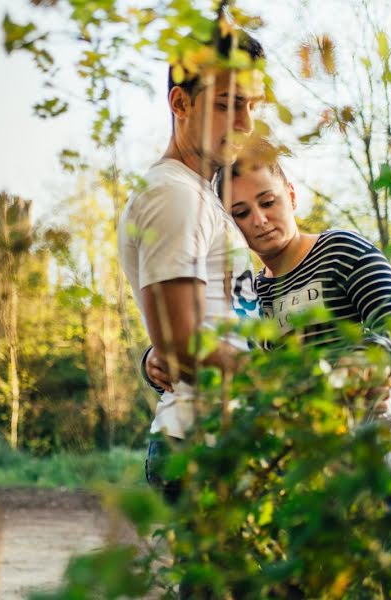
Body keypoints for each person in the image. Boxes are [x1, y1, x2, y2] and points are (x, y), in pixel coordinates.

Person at [145, 141, 391, 509]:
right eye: (241, 213)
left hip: (384, 468)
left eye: (268, 202)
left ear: (290, 195)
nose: (259, 220)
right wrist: (154, 358)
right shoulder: (245, 293)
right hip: (308, 487)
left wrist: (365, 362)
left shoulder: (342, 250)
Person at [116, 30, 266, 508]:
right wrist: (297, 382)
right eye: (227, 104)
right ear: (180, 103)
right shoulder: (173, 195)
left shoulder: (202, 194)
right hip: (203, 444)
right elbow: (182, 349)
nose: (244, 122)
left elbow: (194, 330)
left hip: (226, 436)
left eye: (252, 105)